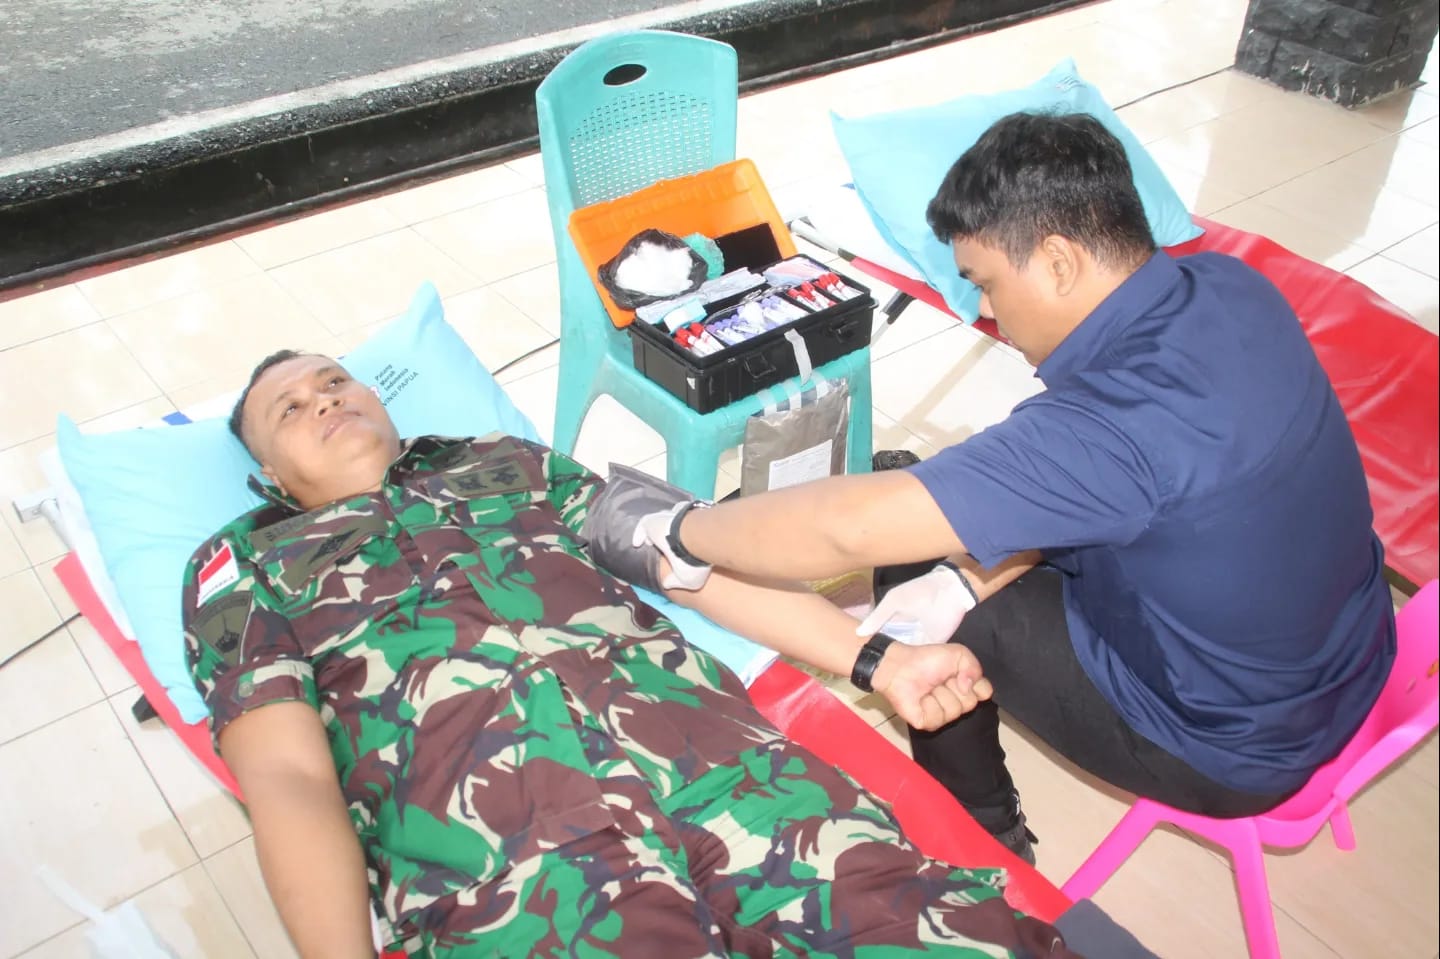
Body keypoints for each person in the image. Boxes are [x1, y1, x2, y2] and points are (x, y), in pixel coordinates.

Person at [620, 112, 1397, 864]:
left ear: (1058, 262)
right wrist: (966, 575)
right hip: (1349, 654)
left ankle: (984, 837)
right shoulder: (1227, 285)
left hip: (1237, 742)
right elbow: (1108, 489)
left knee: (913, 551)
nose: (986, 311)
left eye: (986, 283)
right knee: (933, 514)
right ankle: (957, 602)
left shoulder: (1108, 431)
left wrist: (682, 531)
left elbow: (850, 529)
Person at [182, 350, 1084, 959]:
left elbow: (693, 561)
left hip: (736, 782)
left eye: (336, 381)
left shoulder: (510, 462)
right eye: (291, 408)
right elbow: (288, 778)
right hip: (513, 864)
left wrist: (876, 659)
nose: (326, 400)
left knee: (941, 933)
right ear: (268, 477)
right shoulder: (244, 566)